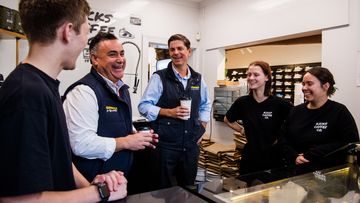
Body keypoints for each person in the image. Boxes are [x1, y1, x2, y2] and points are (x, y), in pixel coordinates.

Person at [0, 0, 127, 202]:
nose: (86, 42)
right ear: (68, 31)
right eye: (86, 32)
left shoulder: (44, 86)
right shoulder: (27, 94)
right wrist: (99, 193)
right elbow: (16, 200)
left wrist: (95, 185)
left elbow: (59, 159)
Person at [62, 31, 158, 182]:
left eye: (122, 53)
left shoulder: (121, 89)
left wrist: (136, 135)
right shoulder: (83, 92)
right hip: (92, 183)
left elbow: (113, 123)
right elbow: (81, 144)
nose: (120, 60)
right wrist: (127, 142)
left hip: (118, 181)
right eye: (112, 54)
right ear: (95, 59)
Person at [138, 34, 211, 189]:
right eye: (172, 49)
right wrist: (169, 112)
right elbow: (143, 106)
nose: (176, 53)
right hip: (165, 146)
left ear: (189, 51)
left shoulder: (198, 79)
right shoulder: (160, 77)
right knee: (163, 189)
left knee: (188, 188)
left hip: (190, 147)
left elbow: (205, 104)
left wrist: (202, 128)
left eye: (180, 48)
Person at [281, 67, 359, 174]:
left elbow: (350, 142)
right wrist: (294, 156)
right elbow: (283, 139)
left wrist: (313, 153)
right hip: (297, 175)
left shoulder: (339, 111)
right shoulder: (295, 111)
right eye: (303, 84)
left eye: (309, 84)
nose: (304, 88)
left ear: (326, 86)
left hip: (330, 176)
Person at [224, 61, 292, 175]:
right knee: (247, 189)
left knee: (271, 191)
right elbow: (227, 119)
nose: (251, 78)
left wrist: (280, 138)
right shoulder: (242, 102)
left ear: (267, 77)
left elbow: (293, 125)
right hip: (250, 156)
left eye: (256, 75)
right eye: (248, 74)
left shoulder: (280, 104)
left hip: (273, 156)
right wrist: (242, 130)